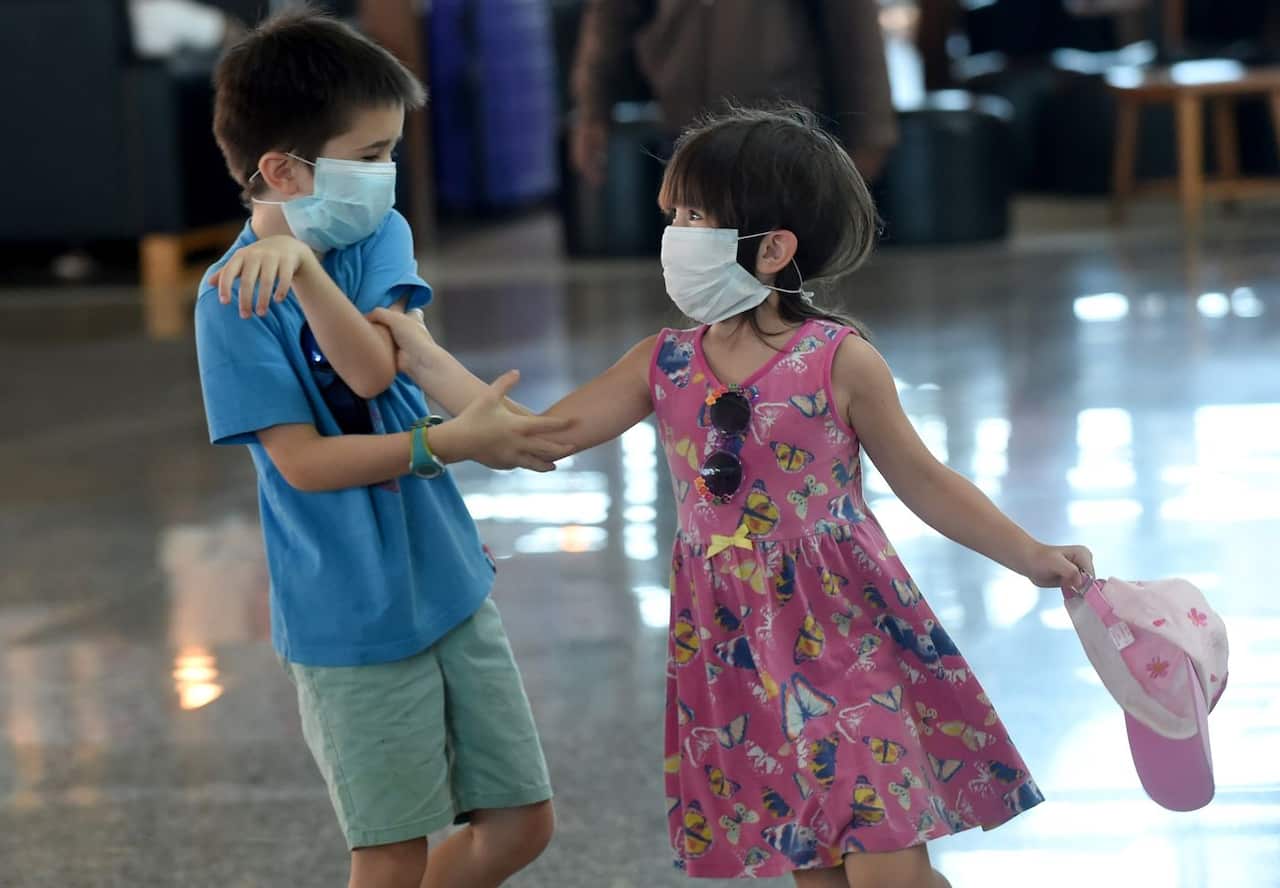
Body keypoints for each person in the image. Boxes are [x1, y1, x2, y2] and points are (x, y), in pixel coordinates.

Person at [378, 104, 1093, 885]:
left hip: (848, 631)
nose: (672, 235)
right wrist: (423, 357)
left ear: (773, 247)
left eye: (694, 216)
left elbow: (924, 479)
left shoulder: (838, 359)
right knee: (816, 864)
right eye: (673, 216)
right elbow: (536, 435)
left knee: (887, 857)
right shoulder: (663, 362)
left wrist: (1031, 554)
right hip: (737, 645)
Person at [193, 9, 567, 888]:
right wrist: (444, 443)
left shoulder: (373, 236)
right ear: (284, 170)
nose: (386, 175)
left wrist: (305, 269)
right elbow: (302, 463)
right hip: (347, 615)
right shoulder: (228, 301)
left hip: (449, 582)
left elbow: (370, 368)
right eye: (370, 155)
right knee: (392, 852)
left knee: (521, 824)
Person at [568, 0, 898, 185]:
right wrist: (592, 108)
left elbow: (854, 26)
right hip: (683, 132)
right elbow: (610, 16)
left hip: (781, 136)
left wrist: (870, 133)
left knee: (780, 266)